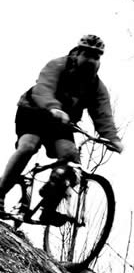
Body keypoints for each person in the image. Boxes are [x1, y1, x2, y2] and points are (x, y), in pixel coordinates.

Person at [0, 34, 123, 223]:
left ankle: (48, 208)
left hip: (61, 122)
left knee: (71, 159)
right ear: (77, 54)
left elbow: (103, 114)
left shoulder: (96, 86)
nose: (91, 61)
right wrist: (53, 107)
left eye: (96, 57)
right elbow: (43, 88)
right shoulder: (57, 66)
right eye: (88, 55)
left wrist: (112, 138)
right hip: (34, 111)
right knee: (28, 146)